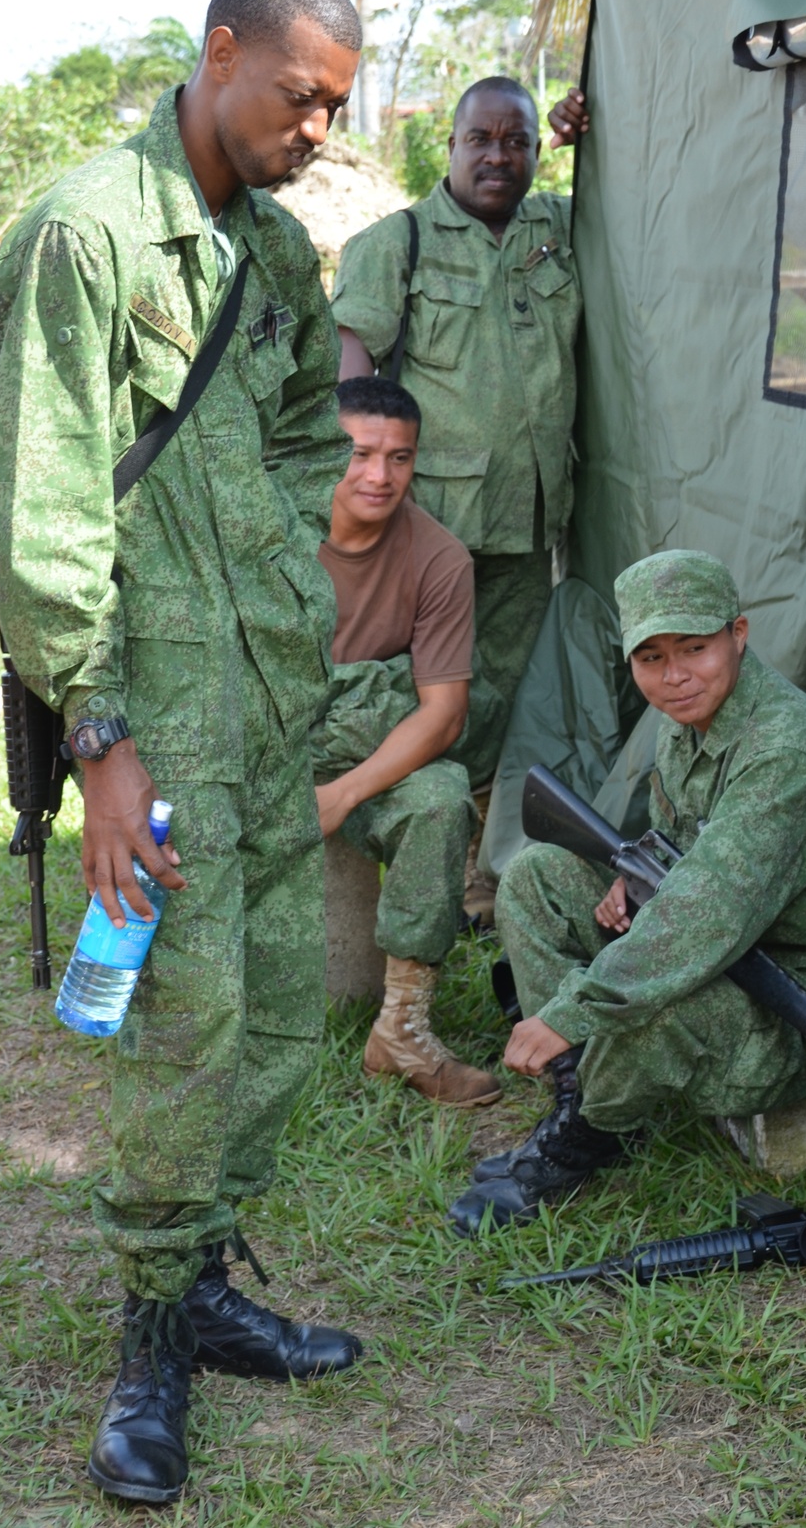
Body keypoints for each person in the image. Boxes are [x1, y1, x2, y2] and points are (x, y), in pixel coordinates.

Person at [0, 0, 365, 1504]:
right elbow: (40, 509)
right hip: (158, 723)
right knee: (184, 1023)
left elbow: (306, 434)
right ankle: (150, 1330)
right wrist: (103, 740)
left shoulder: (271, 246)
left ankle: (204, 1274)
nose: (320, 129)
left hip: (271, 694)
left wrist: (276, 567)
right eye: (300, 95)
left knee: (274, 1014)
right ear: (219, 57)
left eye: (339, 105)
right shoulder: (85, 228)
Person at [447, 550, 806, 1235]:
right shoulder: (685, 718)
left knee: (644, 1008)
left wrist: (573, 1010)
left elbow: (709, 911)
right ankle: (586, 1095)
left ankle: (582, 1136)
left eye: (695, 647)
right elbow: (680, 846)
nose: (675, 675)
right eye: (651, 657)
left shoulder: (786, 747)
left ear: (738, 635)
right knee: (537, 876)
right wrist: (635, 882)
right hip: (732, 946)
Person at [331, 77, 585, 916]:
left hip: (530, 517)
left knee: (503, 691)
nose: (497, 156)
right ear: (450, 144)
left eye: (516, 141)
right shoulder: (396, 243)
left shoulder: (558, 231)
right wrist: (371, 498)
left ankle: (477, 868)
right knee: (420, 689)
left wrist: (591, 131)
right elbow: (351, 380)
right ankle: (391, 837)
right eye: (481, 138)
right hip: (433, 526)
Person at [312, 374, 501, 1107]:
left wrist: (343, 794)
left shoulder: (439, 557)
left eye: (399, 458)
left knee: (441, 795)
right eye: (359, 453)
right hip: (263, 745)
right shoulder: (276, 529)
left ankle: (401, 1026)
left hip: (364, 761)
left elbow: (443, 713)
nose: (378, 475)